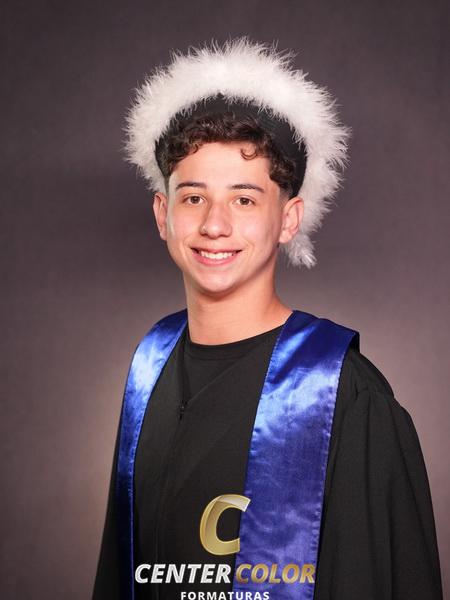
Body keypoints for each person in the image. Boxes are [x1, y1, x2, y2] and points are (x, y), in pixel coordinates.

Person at [92, 37, 443, 600]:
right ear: (163, 214)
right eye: (193, 197)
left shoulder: (342, 395)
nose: (214, 225)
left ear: (289, 218)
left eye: (245, 199)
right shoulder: (150, 366)